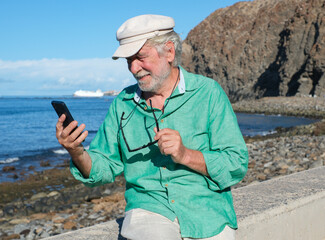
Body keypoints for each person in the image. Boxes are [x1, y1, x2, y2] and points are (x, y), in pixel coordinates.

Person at [56, 14, 249, 240]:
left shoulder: (208, 93)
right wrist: (77, 151)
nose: (134, 68)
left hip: (207, 212)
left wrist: (185, 155)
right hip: (148, 210)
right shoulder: (122, 104)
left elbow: (236, 164)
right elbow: (104, 167)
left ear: (169, 51)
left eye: (140, 57)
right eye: (129, 60)